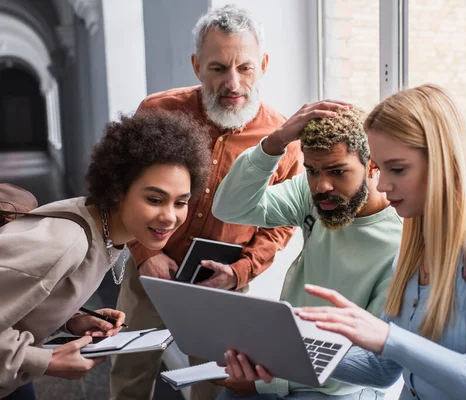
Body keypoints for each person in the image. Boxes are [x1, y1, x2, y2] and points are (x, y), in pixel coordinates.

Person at [229, 84, 466, 399]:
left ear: (442, 160)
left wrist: (390, 339)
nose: (382, 185)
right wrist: (283, 350)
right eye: (381, 169)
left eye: (397, 169)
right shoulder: (415, 246)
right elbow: (382, 370)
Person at [108, 5, 302, 400]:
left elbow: (280, 225)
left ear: (263, 64)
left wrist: (241, 272)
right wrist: (145, 253)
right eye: (218, 68)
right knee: (131, 370)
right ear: (197, 66)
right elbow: (119, 184)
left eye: (245, 67)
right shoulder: (157, 111)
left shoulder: (283, 142)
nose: (233, 82)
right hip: (152, 273)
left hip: (224, 282)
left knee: (215, 379)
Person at [0, 110, 211, 399]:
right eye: (154, 199)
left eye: (181, 202)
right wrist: (46, 361)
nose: (169, 217)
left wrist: (68, 318)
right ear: (117, 190)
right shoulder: (69, 243)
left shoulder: (100, 226)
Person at [211, 101, 403, 399]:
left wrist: (269, 381)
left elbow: (372, 366)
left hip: (339, 389)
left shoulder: (399, 242)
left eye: (338, 172)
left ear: (372, 165)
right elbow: (231, 207)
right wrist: (275, 143)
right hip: (286, 360)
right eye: (312, 171)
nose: (321, 185)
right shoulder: (311, 194)